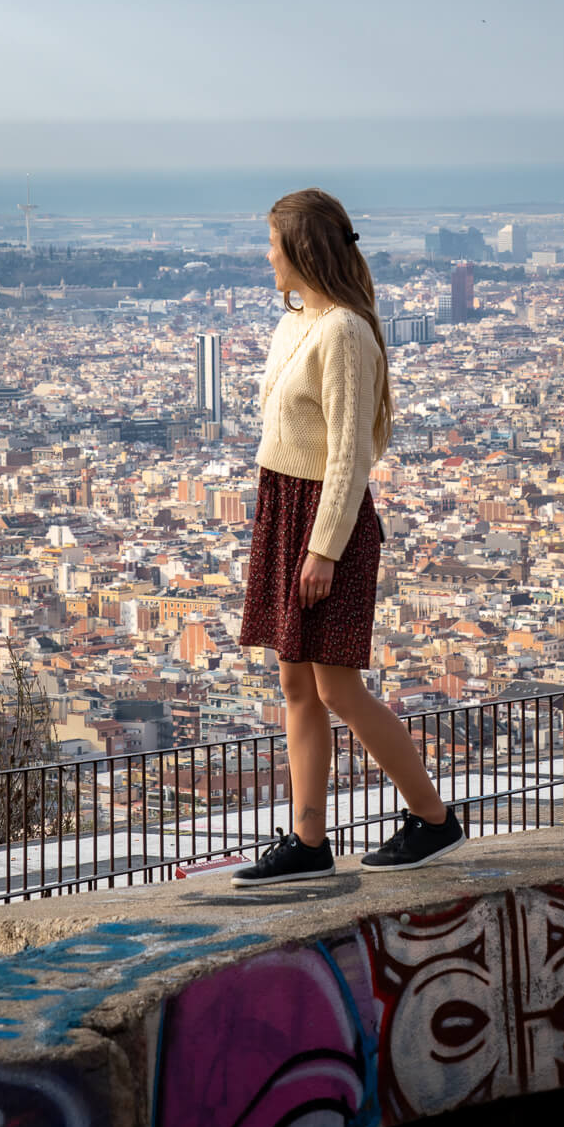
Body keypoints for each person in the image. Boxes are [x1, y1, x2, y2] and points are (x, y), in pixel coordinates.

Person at [232, 187, 464, 884]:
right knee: (295, 684)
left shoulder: (344, 333)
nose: (266, 255)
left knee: (338, 687)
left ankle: (433, 819)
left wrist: (324, 546)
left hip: (324, 520)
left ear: (302, 250)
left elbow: (350, 454)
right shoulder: (295, 323)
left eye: (274, 243)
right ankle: (308, 841)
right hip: (284, 509)